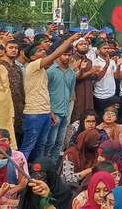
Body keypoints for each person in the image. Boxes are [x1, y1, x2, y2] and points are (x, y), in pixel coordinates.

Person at [20, 33, 81, 162]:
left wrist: (49, 112)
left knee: (41, 145)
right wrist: (70, 39)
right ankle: (21, 170)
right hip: (33, 113)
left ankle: (38, 169)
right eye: (39, 51)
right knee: (29, 146)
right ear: (32, 57)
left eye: (44, 51)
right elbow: (56, 53)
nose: (43, 52)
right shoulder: (32, 66)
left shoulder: (42, 71)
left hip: (45, 112)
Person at [44, 46, 76, 161]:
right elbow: (44, 93)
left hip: (65, 112)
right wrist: (50, 112)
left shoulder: (72, 73)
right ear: (58, 55)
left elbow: (71, 94)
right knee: (50, 142)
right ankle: (45, 165)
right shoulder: (50, 72)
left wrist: (68, 113)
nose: (67, 57)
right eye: (64, 54)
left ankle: (53, 165)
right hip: (53, 112)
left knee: (59, 142)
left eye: (69, 55)